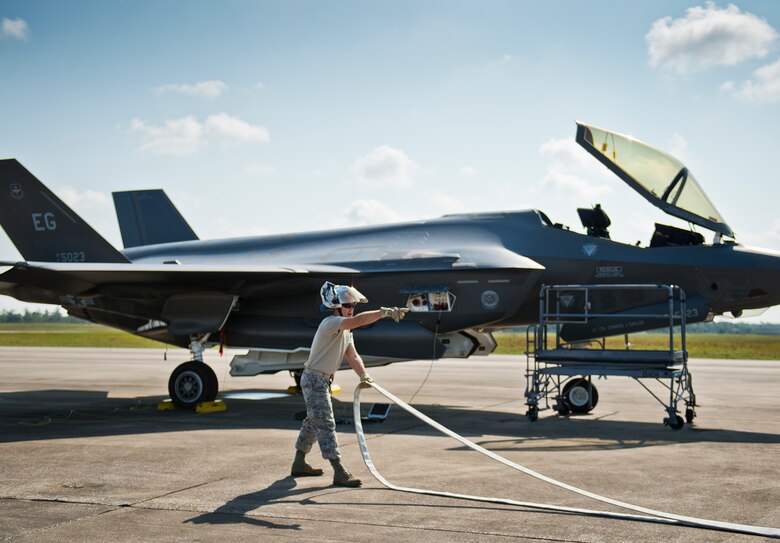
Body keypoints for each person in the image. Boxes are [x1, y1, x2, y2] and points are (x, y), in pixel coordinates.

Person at [292, 281, 408, 487]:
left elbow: (353, 356)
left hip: (322, 380)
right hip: (314, 379)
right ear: (336, 307)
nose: (351, 309)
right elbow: (359, 320)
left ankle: (299, 462)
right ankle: (338, 470)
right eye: (347, 306)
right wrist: (383, 313)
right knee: (325, 422)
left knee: (314, 420)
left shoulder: (346, 331)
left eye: (353, 305)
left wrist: (364, 376)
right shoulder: (330, 322)